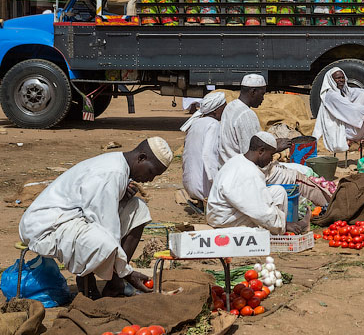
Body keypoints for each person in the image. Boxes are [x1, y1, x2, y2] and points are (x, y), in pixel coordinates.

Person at [19, 138, 173, 299]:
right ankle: (92, 279)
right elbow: (106, 228)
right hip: (46, 226)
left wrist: (121, 198)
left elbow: (97, 207)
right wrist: (127, 273)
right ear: (141, 158)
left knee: (138, 209)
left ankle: (114, 284)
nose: (150, 180)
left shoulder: (119, 166)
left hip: (72, 217)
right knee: (103, 242)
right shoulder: (112, 173)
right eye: (151, 172)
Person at [207, 132, 309, 234]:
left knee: (278, 191)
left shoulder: (239, 160)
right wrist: (284, 224)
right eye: (271, 155)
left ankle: (278, 229)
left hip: (230, 211)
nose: (271, 159)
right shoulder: (248, 172)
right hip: (223, 220)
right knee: (263, 214)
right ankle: (278, 230)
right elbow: (260, 212)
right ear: (261, 151)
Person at [312, 67, 364, 153]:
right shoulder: (331, 96)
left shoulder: (345, 91)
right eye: (338, 78)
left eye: (342, 78)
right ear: (331, 80)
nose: (341, 80)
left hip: (351, 127)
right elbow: (353, 110)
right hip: (340, 131)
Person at [181, 91, 227, 204]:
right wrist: (217, 185)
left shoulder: (197, 123)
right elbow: (208, 156)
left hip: (189, 186)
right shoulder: (213, 124)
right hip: (202, 190)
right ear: (216, 110)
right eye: (224, 107)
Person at [218, 74, 270, 167]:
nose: (263, 99)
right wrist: (274, 148)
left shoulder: (230, 106)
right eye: (262, 94)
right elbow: (252, 155)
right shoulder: (246, 114)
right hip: (240, 171)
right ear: (253, 92)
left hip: (226, 167)